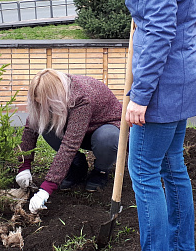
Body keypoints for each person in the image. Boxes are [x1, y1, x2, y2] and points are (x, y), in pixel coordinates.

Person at [95, 0, 196, 251]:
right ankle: (179, 246)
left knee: (143, 172)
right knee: (173, 167)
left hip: (160, 91)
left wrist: (140, 97)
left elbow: (160, 33)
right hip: (183, 81)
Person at [15, 68, 122, 214]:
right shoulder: (51, 90)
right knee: (44, 123)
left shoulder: (81, 97)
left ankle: (101, 170)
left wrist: (46, 189)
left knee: (107, 138)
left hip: (103, 129)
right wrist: (24, 166)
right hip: (76, 128)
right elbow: (31, 126)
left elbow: (70, 144)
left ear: (54, 98)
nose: (41, 106)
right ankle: (77, 166)